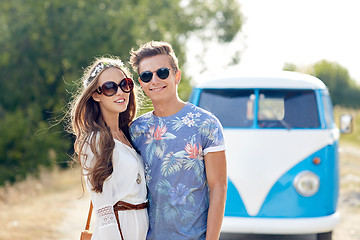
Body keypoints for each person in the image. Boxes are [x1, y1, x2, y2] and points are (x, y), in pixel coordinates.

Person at [129, 41, 227, 240]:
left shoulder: (206, 124)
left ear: (177, 76)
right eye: (147, 76)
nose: (154, 80)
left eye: (162, 72)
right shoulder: (136, 130)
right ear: (141, 83)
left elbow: (218, 186)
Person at [69, 57, 148, 240]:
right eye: (110, 87)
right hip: (118, 230)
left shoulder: (129, 135)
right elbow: (103, 209)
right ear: (96, 95)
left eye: (125, 84)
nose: (120, 92)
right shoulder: (95, 140)